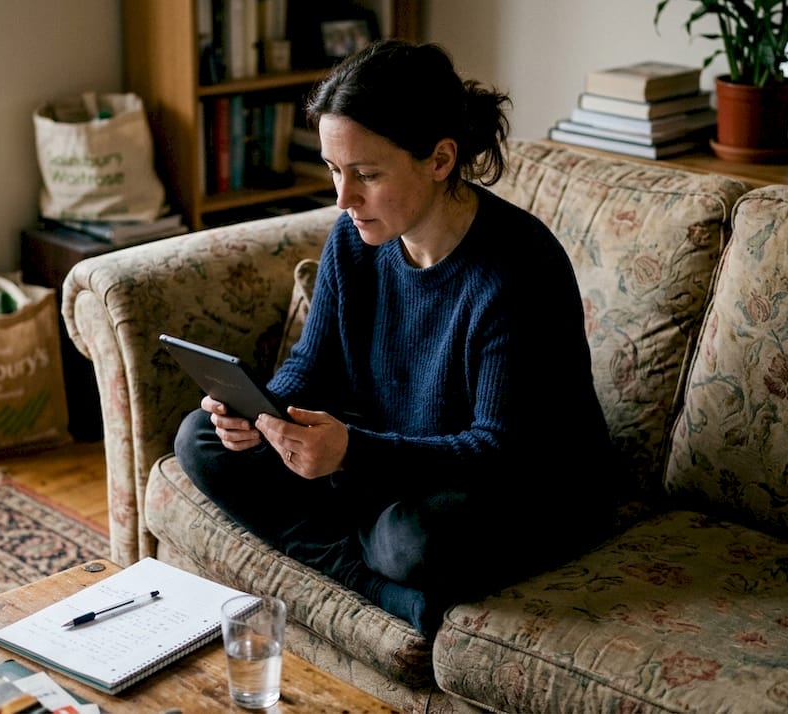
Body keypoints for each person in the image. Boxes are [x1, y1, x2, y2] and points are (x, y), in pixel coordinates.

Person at [173, 39, 615, 637]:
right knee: (201, 439)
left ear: (439, 159)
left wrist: (351, 452)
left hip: (520, 488)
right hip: (397, 455)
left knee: (412, 540)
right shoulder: (356, 238)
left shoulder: (517, 271)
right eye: (334, 170)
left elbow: (499, 452)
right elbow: (314, 362)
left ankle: (370, 551)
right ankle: (372, 580)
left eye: (367, 174)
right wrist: (264, 413)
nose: (343, 198)